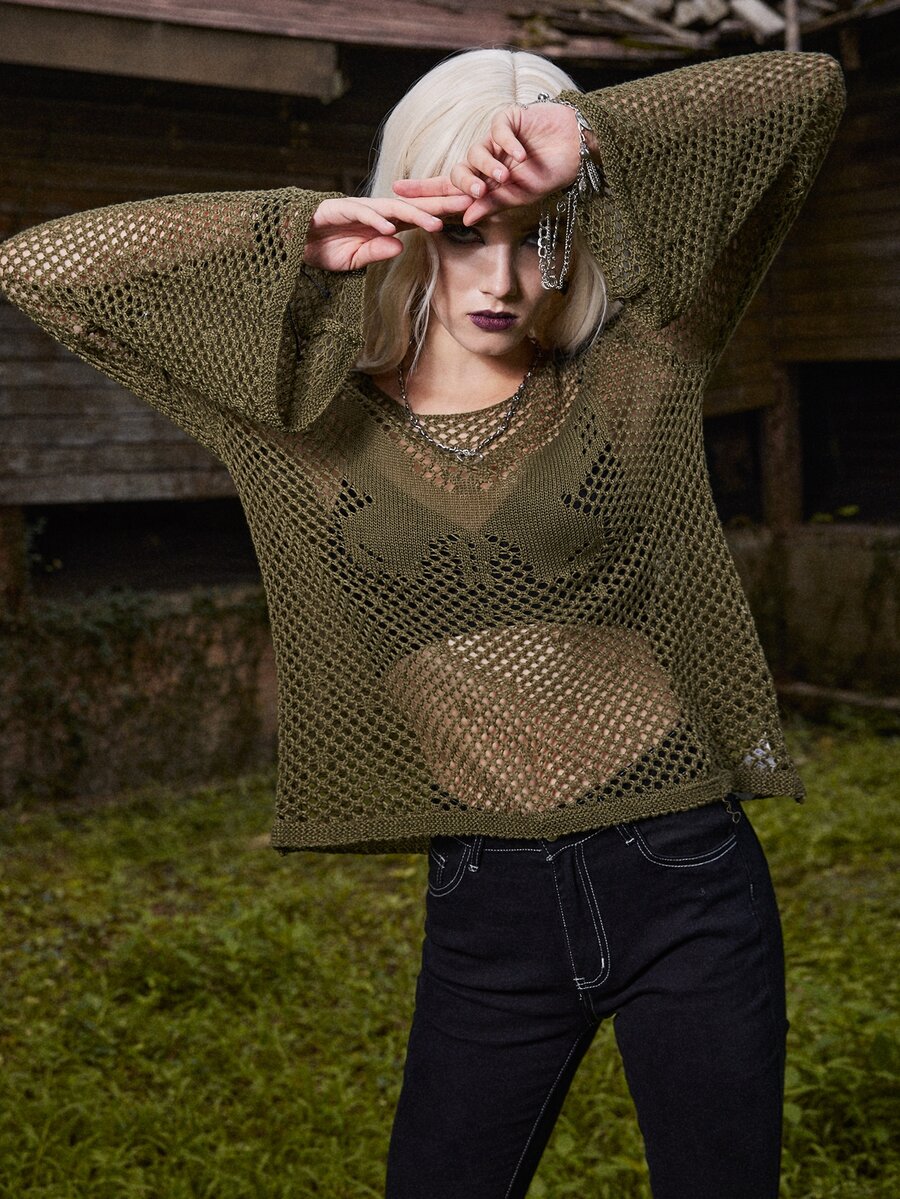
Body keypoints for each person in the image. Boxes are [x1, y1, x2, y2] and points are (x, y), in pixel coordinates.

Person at [0, 45, 845, 1199]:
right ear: (411, 226)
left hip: (680, 862)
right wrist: (290, 230)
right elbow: (38, 267)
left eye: (536, 238)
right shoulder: (299, 419)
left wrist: (581, 140)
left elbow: (806, 94)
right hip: (487, 902)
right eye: (463, 234)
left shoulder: (637, 366)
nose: (502, 277)